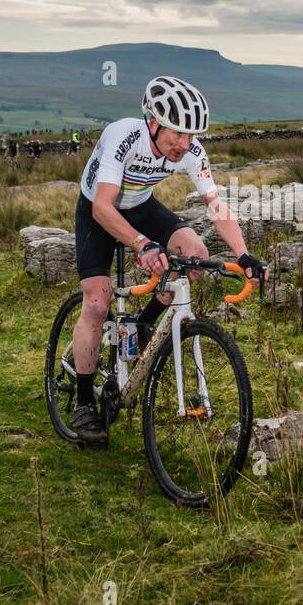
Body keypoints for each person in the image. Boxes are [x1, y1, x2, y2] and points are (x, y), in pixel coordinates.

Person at [67, 76, 270, 446]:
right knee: (97, 303)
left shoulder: (192, 152)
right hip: (98, 209)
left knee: (195, 255)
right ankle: (83, 401)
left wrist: (243, 254)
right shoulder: (123, 136)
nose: (184, 144)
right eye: (177, 133)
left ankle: (143, 325)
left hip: (141, 205)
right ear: (154, 123)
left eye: (191, 135)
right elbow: (102, 206)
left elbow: (216, 206)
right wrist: (143, 245)